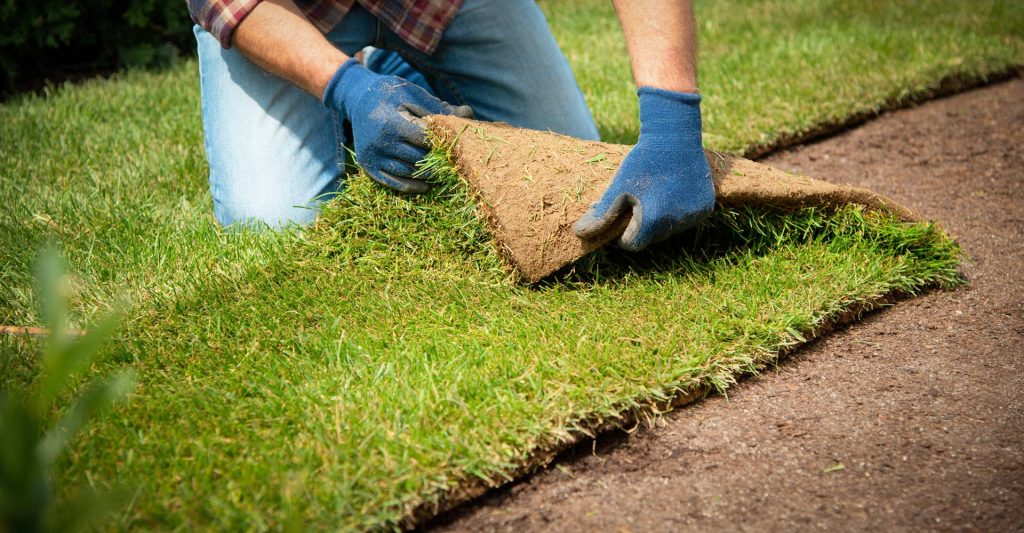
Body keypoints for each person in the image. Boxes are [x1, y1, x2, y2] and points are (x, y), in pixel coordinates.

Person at [187, 0, 714, 251]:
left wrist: (672, 122)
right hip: (282, 13)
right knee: (275, 226)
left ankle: (402, 76)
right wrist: (346, 89)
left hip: (439, 6)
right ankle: (357, 86)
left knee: (574, 184)